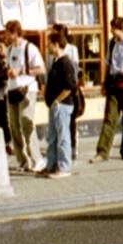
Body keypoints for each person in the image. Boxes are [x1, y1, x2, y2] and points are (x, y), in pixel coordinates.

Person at [91, 16, 123, 162]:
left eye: (113, 28)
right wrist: (103, 83)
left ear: (120, 28)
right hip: (114, 82)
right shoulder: (112, 43)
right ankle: (102, 152)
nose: (111, 32)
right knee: (109, 118)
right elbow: (108, 64)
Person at [0, 20, 45, 172]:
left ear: (15, 33)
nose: (5, 35)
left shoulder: (30, 48)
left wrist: (23, 71)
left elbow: (41, 69)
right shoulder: (10, 49)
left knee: (26, 122)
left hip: (27, 89)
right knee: (13, 125)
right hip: (12, 89)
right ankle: (22, 160)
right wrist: (9, 73)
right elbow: (9, 66)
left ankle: (37, 159)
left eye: (7, 32)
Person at [42, 34, 80, 177]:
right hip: (54, 104)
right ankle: (51, 164)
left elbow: (70, 86)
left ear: (56, 44)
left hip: (62, 105)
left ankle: (64, 167)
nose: (47, 47)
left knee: (63, 136)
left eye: (49, 44)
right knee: (52, 136)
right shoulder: (55, 61)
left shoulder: (66, 63)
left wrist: (57, 100)